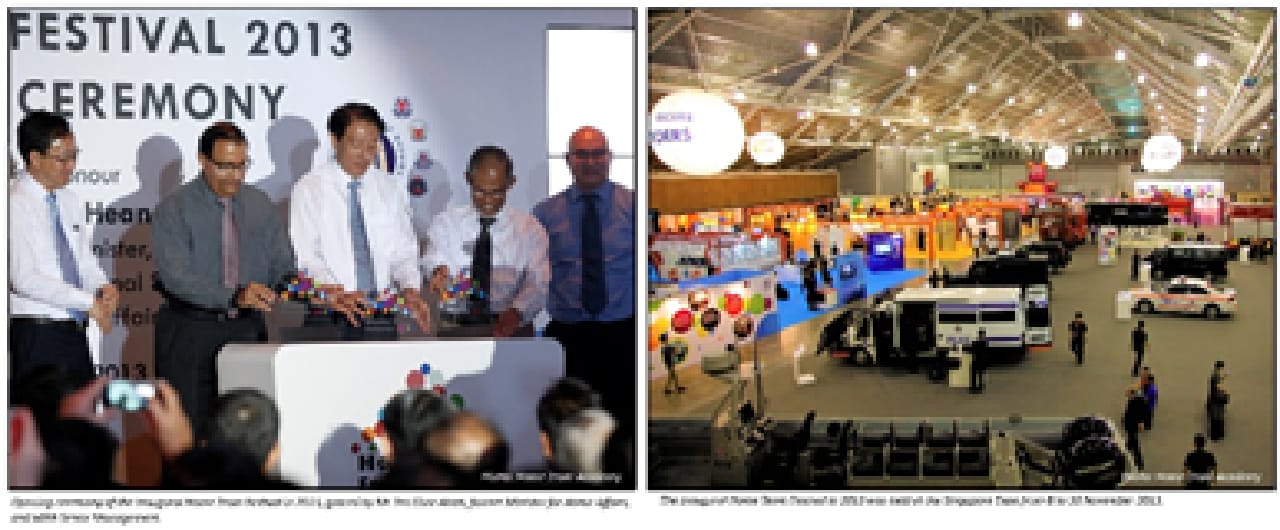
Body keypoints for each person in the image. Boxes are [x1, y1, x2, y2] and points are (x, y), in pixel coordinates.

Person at [153, 122, 295, 433]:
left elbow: (283, 265)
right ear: (202, 160)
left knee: (246, 431)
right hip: (190, 333)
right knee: (188, 433)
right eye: (225, 166)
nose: (235, 176)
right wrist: (234, 295)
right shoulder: (174, 208)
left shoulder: (259, 204)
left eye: (241, 165)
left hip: (246, 332)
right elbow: (177, 277)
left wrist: (300, 289)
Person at [289, 102, 430, 339]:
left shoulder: (389, 188)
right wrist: (338, 294)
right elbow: (307, 258)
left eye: (372, 145)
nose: (365, 155)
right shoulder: (310, 188)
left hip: (380, 313)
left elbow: (404, 252)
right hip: (330, 312)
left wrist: (410, 290)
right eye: (356, 144)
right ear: (335, 140)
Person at [532, 126, 635, 440]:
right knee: (569, 426)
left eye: (597, 154)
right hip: (569, 336)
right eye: (582, 155)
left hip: (622, 333)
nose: (590, 162)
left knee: (622, 424)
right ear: (568, 160)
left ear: (609, 157)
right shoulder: (545, 213)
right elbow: (534, 272)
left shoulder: (633, 206)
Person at [10, 111, 119, 388]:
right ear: (35, 158)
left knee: (83, 412)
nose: (71, 166)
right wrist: (87, 303)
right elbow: (23, 278)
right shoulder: (14, 204)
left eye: (74, 156)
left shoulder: (68, 200)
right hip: (38, 332)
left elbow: (83, 261)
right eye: (62, 159)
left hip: (75, 331)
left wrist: (102, 287)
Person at [423, 146, 548, 338]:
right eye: (480, 192)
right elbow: (433, 257)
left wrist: (517, 312)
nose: (488, 201)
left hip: (512, 326)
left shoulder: (530, 229)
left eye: (497, 192)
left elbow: (539, 282)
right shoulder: (447, 223)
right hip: (456, 326)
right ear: (468, 179)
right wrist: (437, 271)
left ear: (511, 183)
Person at [1122, 386, 1149, 471]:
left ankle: (1139, 463)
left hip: (1133, 426)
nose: (1126, 394)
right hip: (1130, 425)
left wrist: (1141, 422)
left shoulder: (1136, 401)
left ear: (1132, 393)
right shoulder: (1132, 400)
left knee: (1135, 444)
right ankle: (1130, 446)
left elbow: (1140, 413)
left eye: (1127, 393)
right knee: (1131, 439)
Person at [1206, 361, 1229, 441]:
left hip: (1216, 405)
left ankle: (1216, 434)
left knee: (1217, 419)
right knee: (1217, 419)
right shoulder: (1215, 377)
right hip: (1216, 405)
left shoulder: (1215, 377)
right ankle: (1217, 434)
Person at [969, 329, 989, 393]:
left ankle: (977, 387)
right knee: (978, 374)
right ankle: (976, 387)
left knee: (979, 374)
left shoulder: (978, 343)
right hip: (978, 360)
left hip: (978, 360)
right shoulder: (983, 343)